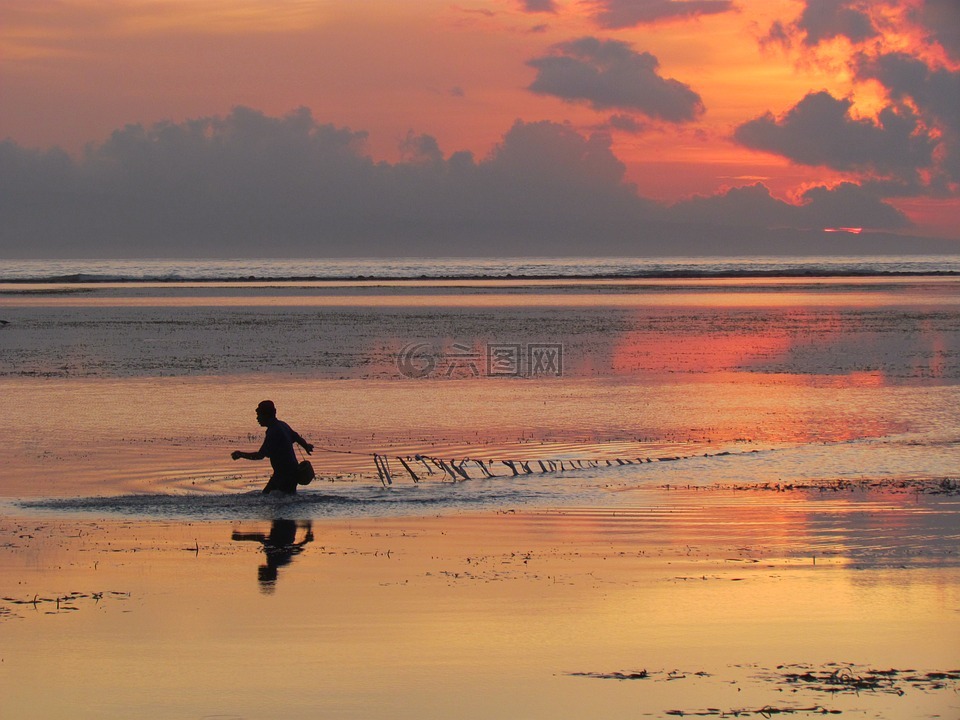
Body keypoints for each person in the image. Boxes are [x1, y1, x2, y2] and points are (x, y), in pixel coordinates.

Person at [231, 400, 314, 494]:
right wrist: (306, 446)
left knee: (266, 496)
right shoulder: (282, 425)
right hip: (292, 472)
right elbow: (297, 437)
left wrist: (241, 454)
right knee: (285, 498)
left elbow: (260, 455)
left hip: (283, 475)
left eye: (259, 415)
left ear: (267, 415)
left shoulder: (273, 431)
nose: (257, 418)